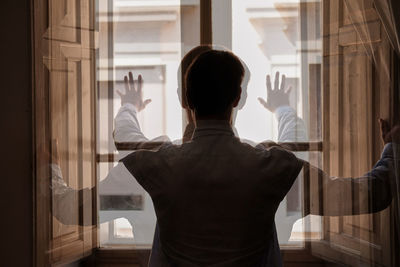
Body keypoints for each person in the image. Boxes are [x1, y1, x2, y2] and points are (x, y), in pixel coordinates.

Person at [120, 49, 397, 266]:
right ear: (238, 97)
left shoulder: (154, 166)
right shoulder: (272, 167)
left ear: (186, 98)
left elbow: (125, 138)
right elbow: (373, 193)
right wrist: (393, 147)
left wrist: (129, 107)